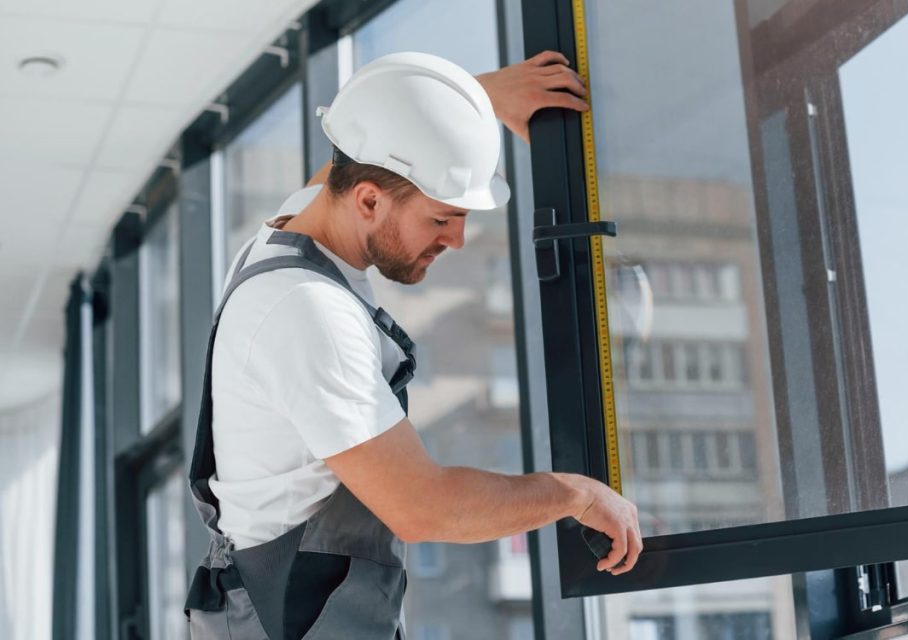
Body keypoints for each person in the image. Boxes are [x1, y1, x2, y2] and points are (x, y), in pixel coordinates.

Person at [185, 50, 641, 639]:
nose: (457, 239)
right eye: (442, 219)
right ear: (369, 200)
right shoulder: (307, 312)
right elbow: (423, 507)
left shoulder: (294, 227)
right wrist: (573, 494)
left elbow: (356, 150)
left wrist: (475, 101)